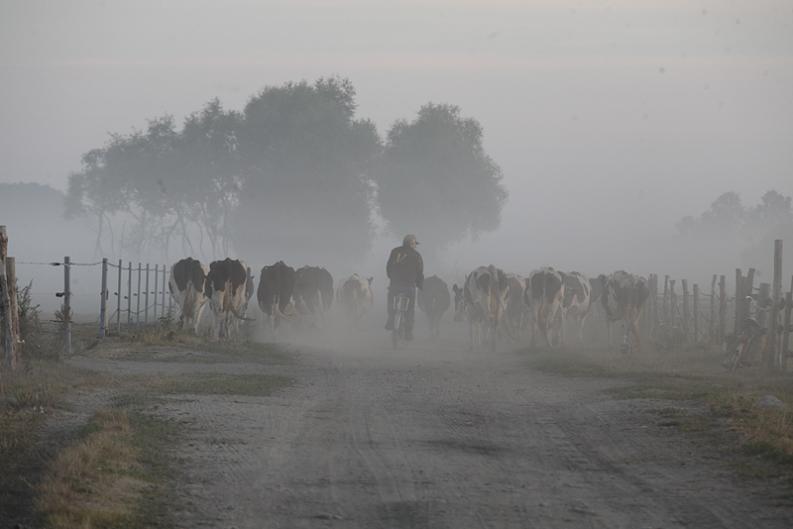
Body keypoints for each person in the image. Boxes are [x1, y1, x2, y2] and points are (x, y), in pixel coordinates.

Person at [385, 234, 424, 340]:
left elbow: (388, 267)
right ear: (411, 244)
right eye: (415, 244)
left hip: (395, 285)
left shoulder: (395, 251)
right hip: (409, 286)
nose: (415, 246)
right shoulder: (417, 255)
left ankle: (391, 318)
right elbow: (420, 272)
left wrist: (391, 278)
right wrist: (420, 285)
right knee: (410, 309)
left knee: (390, 300)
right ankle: (408, 332)